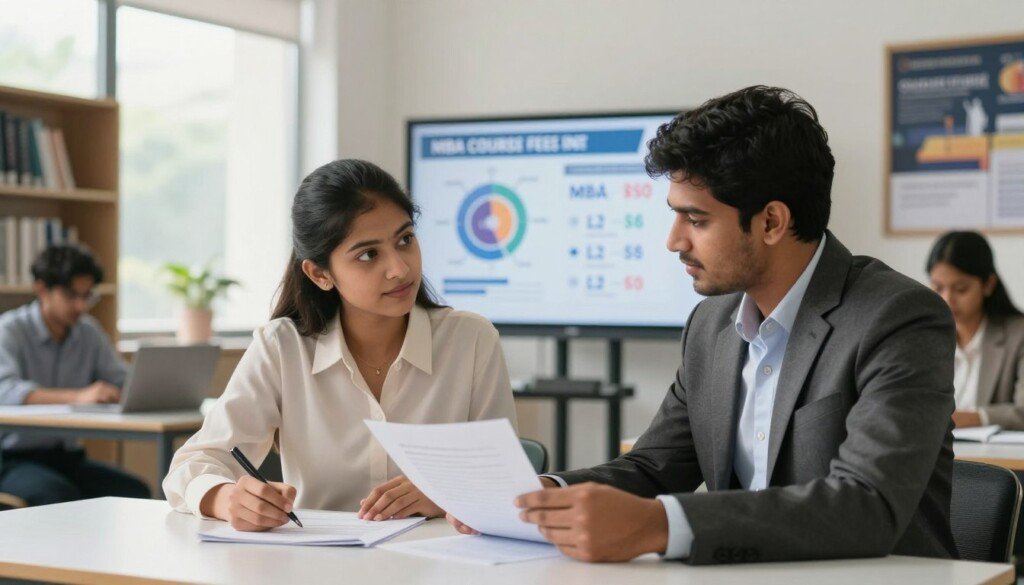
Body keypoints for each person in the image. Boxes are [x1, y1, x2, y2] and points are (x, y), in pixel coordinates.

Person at [449, 86, 958, 564]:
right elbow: (653, 468)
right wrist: (545, 497)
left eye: (696, 220)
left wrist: (660, 526)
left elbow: (866, 506)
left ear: (771, 222)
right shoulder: (712, 324)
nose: (674, 242)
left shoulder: (897, 318)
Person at [163, 159, 517, 531]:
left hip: (442, 564)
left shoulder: (471, 339)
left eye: (405, 240)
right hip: (321, 564)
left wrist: (443, 492)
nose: (399, 268)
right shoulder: (283, 348)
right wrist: (226, 498)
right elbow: (193, 465)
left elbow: (506, 478)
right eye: (368, 255)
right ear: (320, 274)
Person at [0, 244, 150, 505]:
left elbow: (121, 378)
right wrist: (78, 396)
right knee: (58, 496)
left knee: (135, 491)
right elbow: (6, 391)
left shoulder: (88, 333)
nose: (81, 305)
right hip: (12, 459)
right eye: (71, 295)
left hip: (67, 458)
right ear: (42, 289)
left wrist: (148, 388)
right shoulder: (10, 330)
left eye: (87, 295)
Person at [927, 231, 1024, 429]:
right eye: (938, 288)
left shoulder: (1019, 335)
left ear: (988, 284)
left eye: (961, 289)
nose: (947, 299)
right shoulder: (922, 335)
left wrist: (969, 418)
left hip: (991, 457)